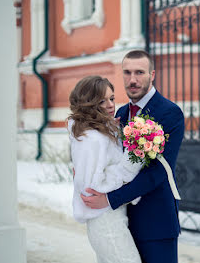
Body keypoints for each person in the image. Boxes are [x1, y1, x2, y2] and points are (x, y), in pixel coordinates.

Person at [81, 50, 185, 263]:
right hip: (121, 222)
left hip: (155, 222)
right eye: (127, 73)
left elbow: (157, 173)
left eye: (139, 72)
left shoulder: (169, 112)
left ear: (152, 75)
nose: (133, 79)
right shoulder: (119, 113)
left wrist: (110, 200)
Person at [67, 75, 143, 263]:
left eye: (111, 98)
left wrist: (111, 130)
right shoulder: (91, 139)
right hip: (105, 220)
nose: (110, 105)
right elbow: (91, 187)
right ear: (89, 103)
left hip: (112, 217)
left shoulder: (99, 132)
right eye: (102, 101)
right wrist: (129, 165)